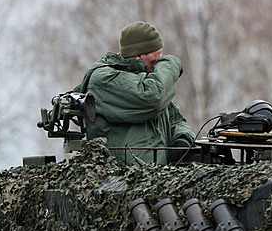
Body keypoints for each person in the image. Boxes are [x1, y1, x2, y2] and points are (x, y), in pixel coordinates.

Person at [75, 21, 196, 165]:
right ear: (138, 56)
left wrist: (182, 139)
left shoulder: (147, 78)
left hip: (158, 177)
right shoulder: (104, 79)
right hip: (122, 178)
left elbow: (176, 120)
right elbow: (152, 99)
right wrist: (171, 63)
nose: (160, 60)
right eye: (156, 54)